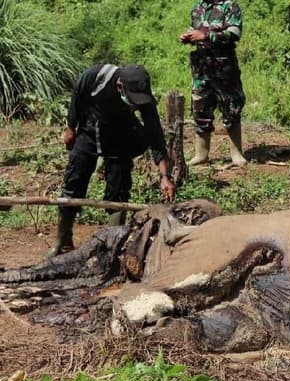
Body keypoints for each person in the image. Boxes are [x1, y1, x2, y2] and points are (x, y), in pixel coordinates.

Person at [49, 64, 176, 258]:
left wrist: (164, 176)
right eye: (132, 100)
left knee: (118, 187)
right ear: (119, 86)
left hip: (121, 134)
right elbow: (77, 96)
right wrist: (71, 128)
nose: (134, 104)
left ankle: (111, 245)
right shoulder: (95, 76)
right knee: (73, 181)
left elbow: (155, 135)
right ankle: (62, 241)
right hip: (91, 129)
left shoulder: (143, 94)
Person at [180, 0, 247, 167]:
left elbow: (234, 33)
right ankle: (201, 154)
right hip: (201, 68)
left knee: (231, 107)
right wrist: (189, 37)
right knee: (200, 107)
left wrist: (206, 36)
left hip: (223, 67)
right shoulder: (198, 7)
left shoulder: (229, 6)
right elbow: (195, 31)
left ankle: (236, 153)